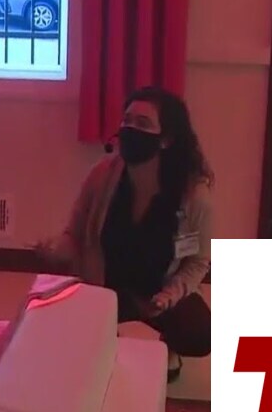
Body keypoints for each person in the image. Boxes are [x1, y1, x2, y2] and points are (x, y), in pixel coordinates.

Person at [35, 86, 213, 383]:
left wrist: (170, 296)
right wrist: (56, 249)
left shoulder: (193, 195)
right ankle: (113, 335)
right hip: (108, 288)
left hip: (159, 292)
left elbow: (197, 262)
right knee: (59, 335)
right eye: (126, 121)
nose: (130, 129)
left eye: (142, 123)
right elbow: (74, 234)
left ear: (166, 139)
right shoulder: (102, 176)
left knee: (200, 333)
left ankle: (165, 345)